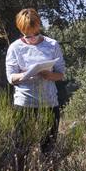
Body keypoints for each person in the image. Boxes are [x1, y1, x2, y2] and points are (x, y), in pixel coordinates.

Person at [5, 8, 66, 150]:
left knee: (48, 149)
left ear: (39, 26)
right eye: (27, 35)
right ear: (21, 30)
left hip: (49, 104)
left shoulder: (52, 45)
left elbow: (61, 73)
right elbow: (10, 77)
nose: (32, 37)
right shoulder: (15, 47)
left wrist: (49, 75)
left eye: (35, 33)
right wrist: (26, 74)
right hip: (24, 104)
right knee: (21, 149)